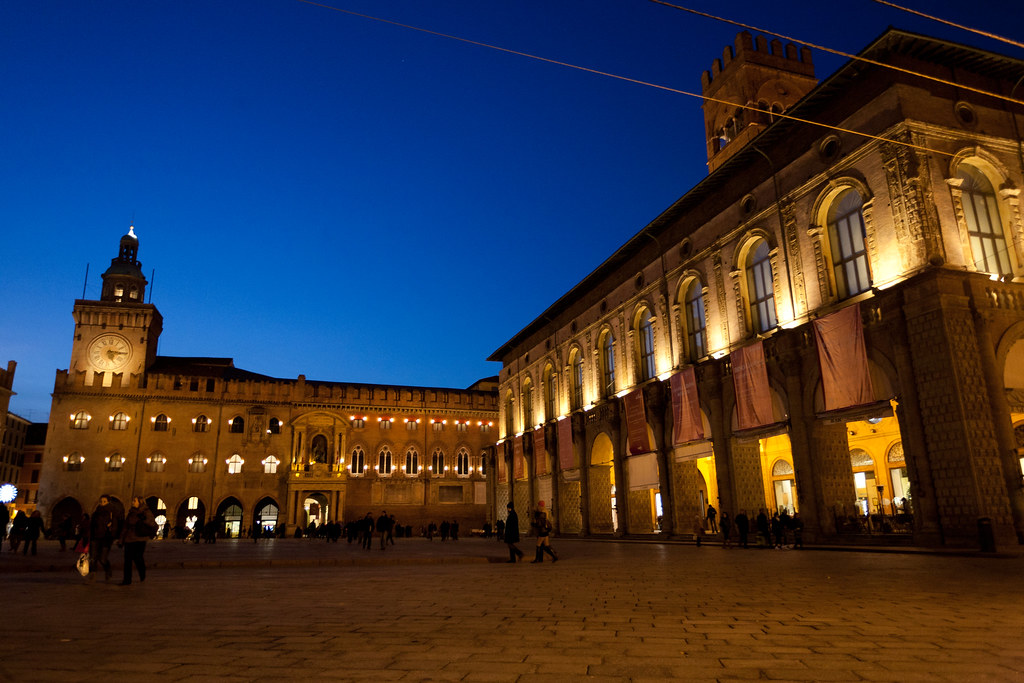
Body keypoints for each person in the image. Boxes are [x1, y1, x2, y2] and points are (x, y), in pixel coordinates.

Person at [119, 496, 156, 585]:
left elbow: (152, 523)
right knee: (127, 560)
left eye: (134, 501)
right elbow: (125, 527)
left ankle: (142, 573)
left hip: (140, 538)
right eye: (133, 501)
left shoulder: (146, 511)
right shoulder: (131, 512)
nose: (133, 502)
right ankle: (127, 580)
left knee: (138, 558)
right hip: (129, 538)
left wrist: (144, 519)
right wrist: (121, 539)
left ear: (140, 502)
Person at [89, 494, 124, 581]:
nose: (102, 503)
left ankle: (108, 570)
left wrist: (113, 535)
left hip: (106, 538)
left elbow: (116, 526)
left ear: (108, 502)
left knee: (102, 559)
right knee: (93, 558)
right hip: (95, 538)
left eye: (104, 501)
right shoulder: (96, 513)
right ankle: (92, 576)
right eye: (101, 501)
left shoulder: (113, 512)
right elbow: (92, 525)